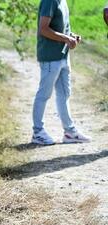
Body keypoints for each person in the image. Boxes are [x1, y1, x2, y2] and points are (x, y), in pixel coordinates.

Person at [32, 0, 91, 145]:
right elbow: (43, 29)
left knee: (64, 94)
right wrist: (66, 38)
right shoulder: (49, 1)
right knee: (44, 94)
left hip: (63, 56)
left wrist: (71, 35)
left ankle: (70, 133)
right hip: (50, 57)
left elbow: (60, 27)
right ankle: (37, 133)